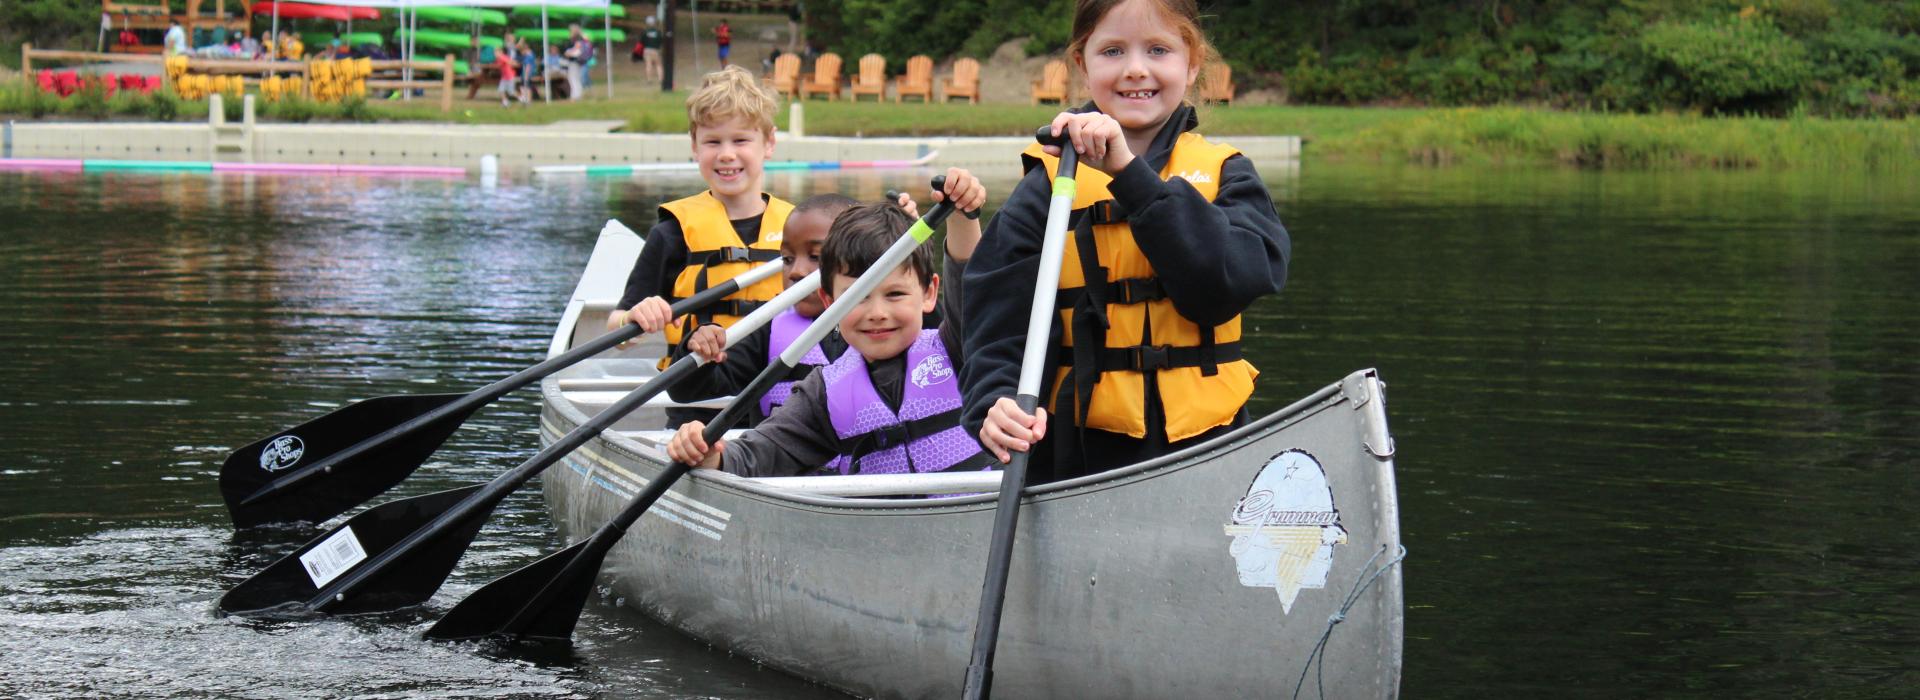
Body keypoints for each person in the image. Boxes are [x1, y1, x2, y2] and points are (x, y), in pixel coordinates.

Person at [960, 0, 1290, 484]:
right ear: (1082, 64)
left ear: (1192, 62)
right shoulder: (1047, 185)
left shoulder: (1227, 174)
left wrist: (1130, 176)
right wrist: (994, 403)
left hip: (1209, 446)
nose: (1136, 69)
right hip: (1075, 453)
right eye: (1112, 51)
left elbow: (1222, 287)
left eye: (1158, 49)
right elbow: (997, 322)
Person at [667, 176, 993, 478]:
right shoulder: (822, 394)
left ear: (929, 293)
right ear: (829, 301)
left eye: (894, 294)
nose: (877, 313)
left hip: (972, 521)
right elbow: (763, 452)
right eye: (856, 298)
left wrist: (962, 214)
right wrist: (713, 457)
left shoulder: (958, 348)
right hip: (875, 534)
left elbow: (970, 284)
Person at [609, 66, 792, 428]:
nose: (726, 154)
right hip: (698, 408)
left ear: (768, 143)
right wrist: (635, 318)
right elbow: (618, 331)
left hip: (784, 408)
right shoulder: (672, 233)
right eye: (713, 142)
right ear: (695, 146)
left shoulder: (798, 227)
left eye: (740, 141)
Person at [666, 193, 857, 427]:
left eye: (815, 257)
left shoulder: (887, 327)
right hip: (781, 463)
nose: (796, 271)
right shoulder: (768, 331)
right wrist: (697, 350)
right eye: (787, 259)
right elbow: (684, 391)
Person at [640, 15, 664, 83]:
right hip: (655, 50)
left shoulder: (645, 32)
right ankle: (661, 79)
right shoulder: (658, 32)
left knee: (648, 64)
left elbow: (642, 41)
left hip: (647, 50)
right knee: (658, 65)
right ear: (654, 23)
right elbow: (661, 41)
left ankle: (649, 79)